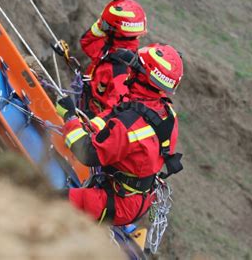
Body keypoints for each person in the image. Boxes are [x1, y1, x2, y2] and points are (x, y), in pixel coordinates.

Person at [56, 43, 184, 225]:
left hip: (118, 201)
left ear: (140, 75)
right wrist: (89, 123)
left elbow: (88, 153)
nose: (129, 70)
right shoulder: (164, 112)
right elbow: (117, 115)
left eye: (134, 66)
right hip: (137, 197)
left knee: (47, 204)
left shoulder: (129, 125)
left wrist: (69, 118)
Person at [79, 0, 147, 116]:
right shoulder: (110, 49)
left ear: (114, 31)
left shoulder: (121, 72)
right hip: (84, 106)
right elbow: (87, 43)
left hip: (90, 123)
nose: (100, 23)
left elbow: (114, 114)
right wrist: (102, 27)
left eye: (103, 23)